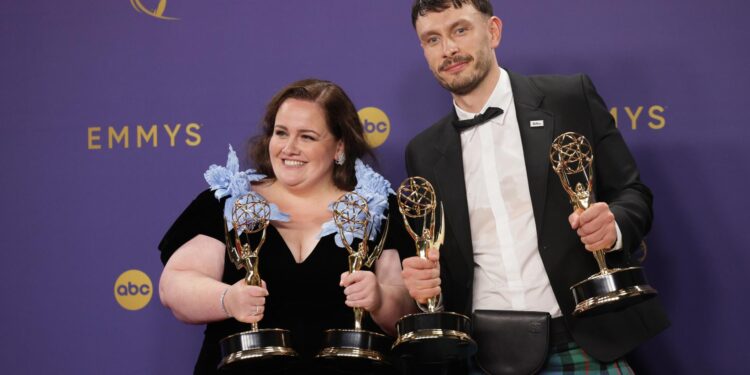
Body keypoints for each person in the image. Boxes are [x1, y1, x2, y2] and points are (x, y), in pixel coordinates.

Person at [400, 0, 669, 373]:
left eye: (460, 30)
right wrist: (427, 283)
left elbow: (633, 194)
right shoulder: (423, 152)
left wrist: (615, 226)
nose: (448, 49)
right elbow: (440, 258)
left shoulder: (569, 98)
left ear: (493, 31)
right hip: (484, 354)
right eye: (433, 39)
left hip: (584, 340)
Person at [158, 79, 415, 374]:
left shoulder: (380, 209)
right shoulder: (227, 200)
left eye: (307, 137)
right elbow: (174, 286)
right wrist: (228, 300)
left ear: (339, 146)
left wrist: (380, 298)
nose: (289, 148)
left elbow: (406, 314)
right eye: (281, 133)